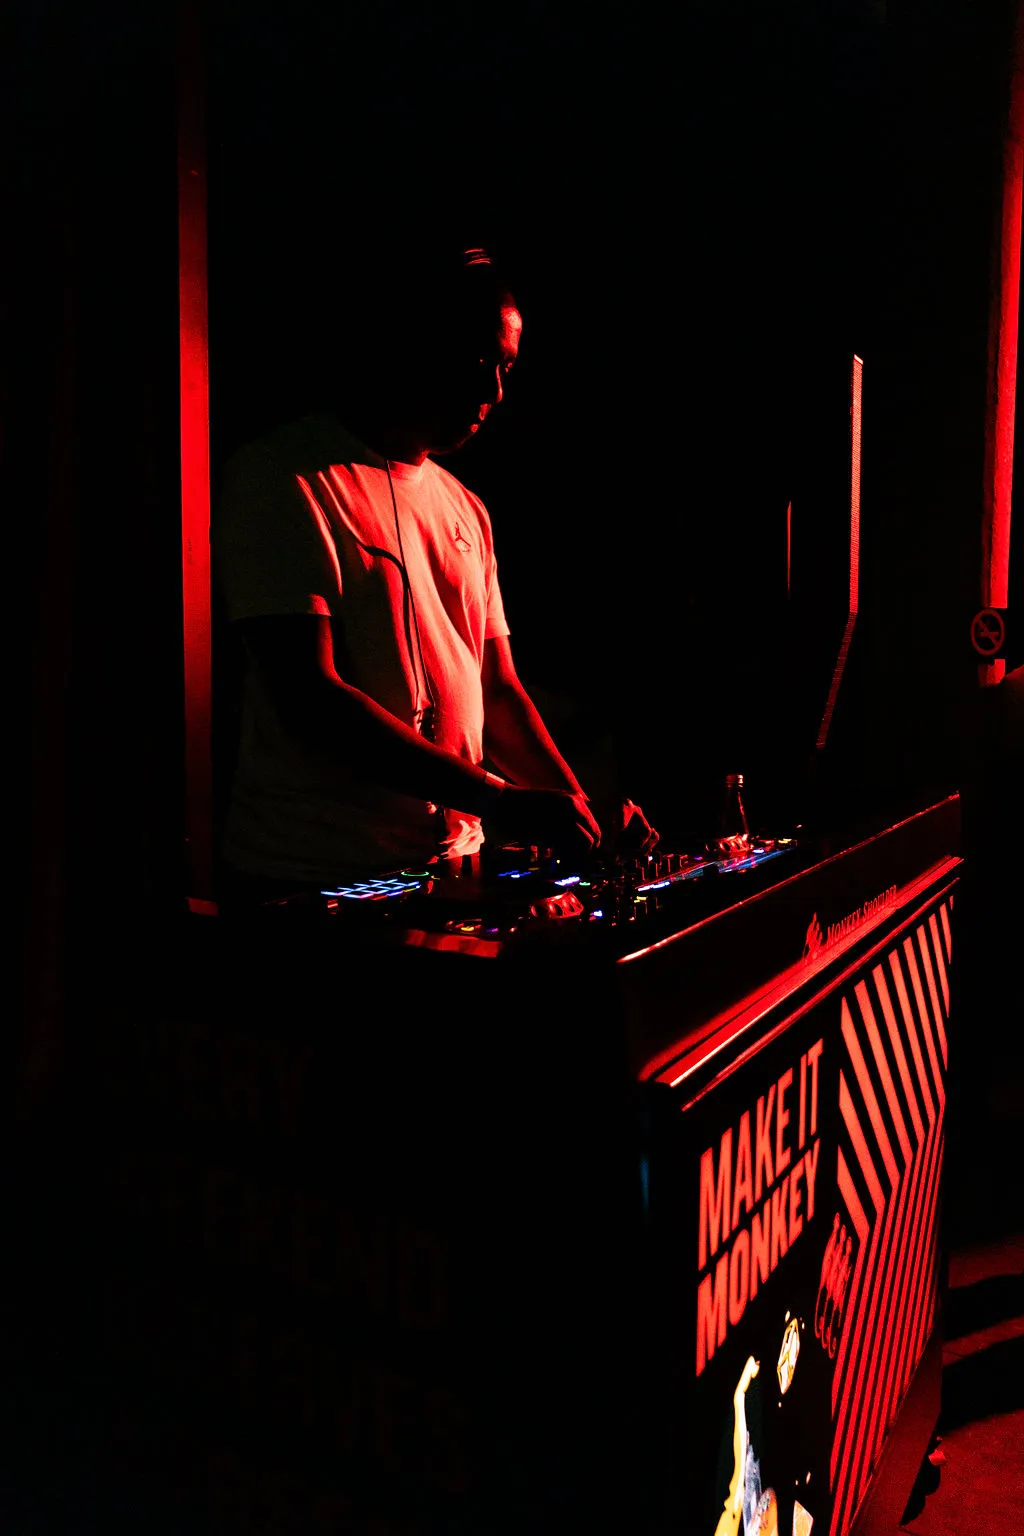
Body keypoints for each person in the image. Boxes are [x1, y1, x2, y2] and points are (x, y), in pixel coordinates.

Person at [214, 242, 657, 903]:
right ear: (410, 342)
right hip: (317, 879)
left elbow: (497, 690)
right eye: (478, 362)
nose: (495, 392)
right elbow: (310, 696)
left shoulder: (465, 506)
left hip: (449, 870)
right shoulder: (283, 477)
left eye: (506, 368)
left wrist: (580, 811)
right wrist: (500, 801)